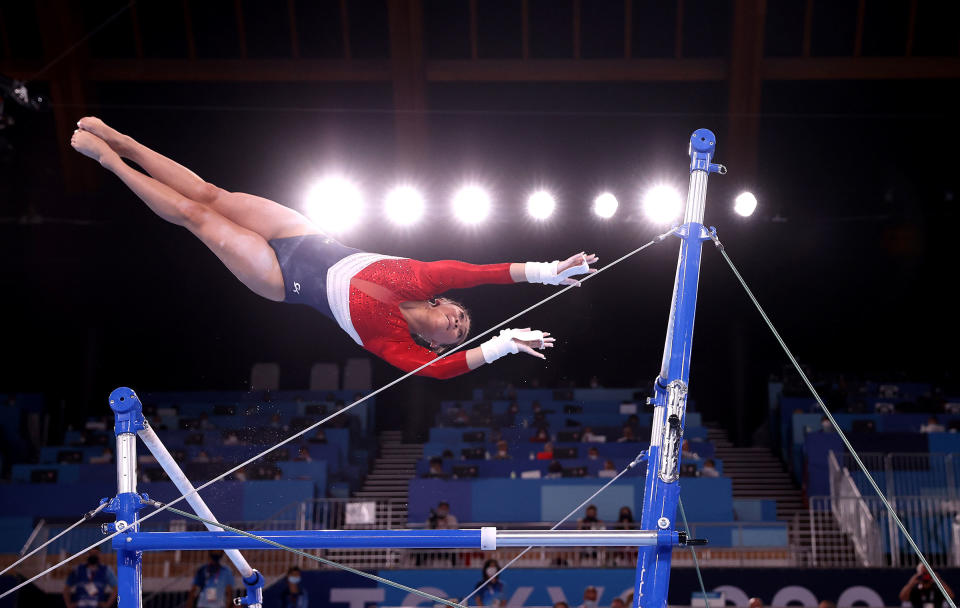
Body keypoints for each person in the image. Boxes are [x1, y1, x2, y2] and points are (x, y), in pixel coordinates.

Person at [71, 118, 597, 380]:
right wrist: (548, 271)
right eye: (460, 318)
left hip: (283, 280)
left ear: (437, 341)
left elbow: (443, 373)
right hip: (306, 236)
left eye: (458, 333)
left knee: (196, 216)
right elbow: (483, 271)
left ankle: (110, 164)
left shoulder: (397, 345)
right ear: (443, 303)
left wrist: (502, 344)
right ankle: (125, 143)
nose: (458, 325)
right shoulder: (423, 277)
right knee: (213, 194)